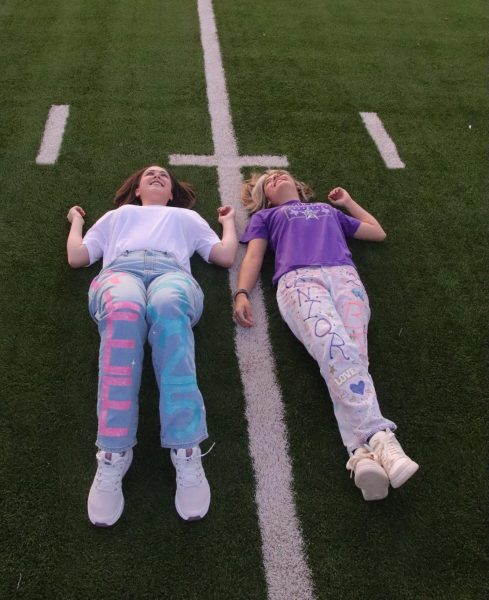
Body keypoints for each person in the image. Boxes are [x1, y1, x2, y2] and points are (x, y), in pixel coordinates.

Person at [66, 164, 237, 525]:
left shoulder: (185, 218)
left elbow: (223, 256)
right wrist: (76, 222)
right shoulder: (117, 216)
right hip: (119, 273)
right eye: (149, 175)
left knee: (167, 308)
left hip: (172, 274)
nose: (158, 176)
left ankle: (186, 449)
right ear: (137, 189)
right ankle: (114, 453)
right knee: (124, 311)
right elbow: (78, 257)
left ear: (172, 192)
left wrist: (229, 224)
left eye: (164, 175)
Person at [234, 169, 418, 501]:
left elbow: (377, 232)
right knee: (337, 352)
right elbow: (254, 255)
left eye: (280, 173)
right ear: (265, 197)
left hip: (345, 277)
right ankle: (380, 437)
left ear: (300, 186)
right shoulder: (266, 216)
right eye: (268, 182)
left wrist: (349, 202)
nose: (275, 176)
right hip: (299, 281)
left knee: (354, 358)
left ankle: (360, 456)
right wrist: (242, 292)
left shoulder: (329, 211)